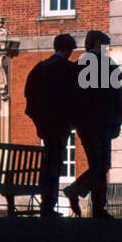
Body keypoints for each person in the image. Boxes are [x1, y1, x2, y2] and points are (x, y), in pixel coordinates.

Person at [64, 30, 122, 218]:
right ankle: (94, 204)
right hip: (102, 122)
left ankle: (92, 202)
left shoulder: (78, 65)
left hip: (84, 123)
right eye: (105, 46)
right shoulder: (106, 64)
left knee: (97, 164)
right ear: (97, 44)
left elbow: (73, 97)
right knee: (102, 164)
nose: (106, 50)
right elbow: (116, 92)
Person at [23, 33, 80, 217]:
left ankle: (47, 203)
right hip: (60, 123)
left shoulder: (40, 67)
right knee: (55, 162)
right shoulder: (68, 69)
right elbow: (75, 99)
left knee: (49, 162)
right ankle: (48, 204)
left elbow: (29, 97)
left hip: (45, 123)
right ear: (69, 50)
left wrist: (39, 121)